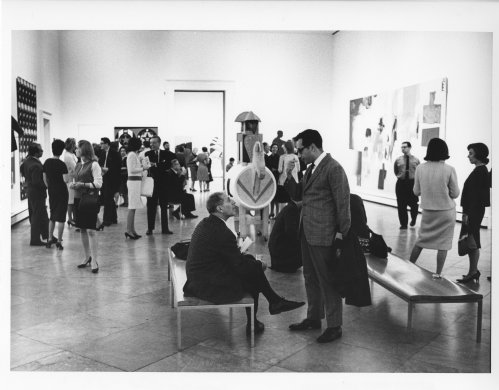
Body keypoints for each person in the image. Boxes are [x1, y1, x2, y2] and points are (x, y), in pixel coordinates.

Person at [183, 192, 305, 334]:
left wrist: (253, 262)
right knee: (253, 275)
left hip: (200, 278)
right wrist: (259, 265)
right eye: (229, 201)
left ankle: (273, 303)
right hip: (206, 285)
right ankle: (266, 310)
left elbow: (231, 258)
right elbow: (239, 267)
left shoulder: (208, 223)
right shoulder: (222, 232)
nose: (234, 202)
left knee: (252, 265)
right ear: (220, 209)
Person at [284, 129, 351, 344]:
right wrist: (288, 174)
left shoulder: (334, 168)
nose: (299, 154)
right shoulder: (310, 169)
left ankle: (334, 325)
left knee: (327, 280)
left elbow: (343, 205)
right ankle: (313, 317)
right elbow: (298, 196)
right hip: (308, 231)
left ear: (313, 147)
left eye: (301, 149)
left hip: (325, 234)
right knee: (311, 277)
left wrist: (341, 234)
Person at [409, 138, 460, 279]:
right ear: (445, 151)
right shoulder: (449, 169)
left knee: (421, 241)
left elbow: (416, 191)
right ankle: (438, 273)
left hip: (428, 211)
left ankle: (409, 265)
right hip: (446, 212)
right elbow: (455, 193)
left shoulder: (420, 168)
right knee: (443, 244)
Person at [456, 143, 490, 284]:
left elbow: (475, 197)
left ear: (478, 154)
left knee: (472, 240)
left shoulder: (480, 171)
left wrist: (468, 214)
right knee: (472, 239)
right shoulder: (479, 170)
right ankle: (473, 271)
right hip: (472, 211)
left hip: (473, 212)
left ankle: (473, 272)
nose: (468, 156)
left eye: (470, 153)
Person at [72, 140, 103, 273]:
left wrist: (82, 185)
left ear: (84, 150)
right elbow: (76, 180)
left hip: (89, 199)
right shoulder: (78, 165)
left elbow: (99, 184)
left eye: (78, 148)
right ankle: (87, 257)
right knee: (83, 229)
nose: (76, 150)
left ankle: (95, 259)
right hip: (78, 199)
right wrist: (74, 184)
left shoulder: (94, 164)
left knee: (91, 230)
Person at [20, 142, 49, 246]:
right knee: (37, 215)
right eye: (41, 150)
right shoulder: (36, 165)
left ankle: (47, 235)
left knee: (40, 213)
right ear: (36, 153)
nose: (42, 151)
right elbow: (37, 182)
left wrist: (29, 182)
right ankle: (35, 239)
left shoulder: (27, 161)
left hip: (31, 191)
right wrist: (47, 185)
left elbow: (23, 171)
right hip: (37, 193)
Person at [43, 139, 69, 249]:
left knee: (52, 215)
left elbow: (45, 178)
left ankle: (49, 239)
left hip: (52, 190)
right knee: (62, 217)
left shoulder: (47, 162)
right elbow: (66, 180)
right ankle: (59, 240)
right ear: (62, 150)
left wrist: (50, 187)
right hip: (62, 191)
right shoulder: (62, 164)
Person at [145, 136, 173, 235]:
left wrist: (156, 165)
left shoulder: (167, 154)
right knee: (151, 206)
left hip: (163, 184)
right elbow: (148, 167)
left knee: (164, 206)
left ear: (159, 143)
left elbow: (168, 165)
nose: (151, 145)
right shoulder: (147, 154)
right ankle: (150, 228)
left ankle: (165, 228)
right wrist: (160, 165)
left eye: (154, 143)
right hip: (152, 184)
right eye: (150, 143)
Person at [268, 200, 302, 273]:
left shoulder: (289, 207)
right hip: (280, 255)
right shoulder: (292, 210)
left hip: (276, 255)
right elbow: (291, 233)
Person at [125, 137, 149, 239]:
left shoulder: (134, 154)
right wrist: (143, 168)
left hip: (135, 182)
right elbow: (132, 169)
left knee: (133, 207)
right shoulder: (131, 155)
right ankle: (129, 230)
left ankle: (132, 230)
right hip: (133, 182)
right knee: (132, 207)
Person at [394, 141, 420, 229]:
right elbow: (396, 171)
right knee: (401, 205)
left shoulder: (416, 160)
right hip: (401, 184)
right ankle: (403, 224)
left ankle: (413, 218)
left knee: (414, 204)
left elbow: (419, 173)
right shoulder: (398, 160)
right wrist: (401, 177)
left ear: (409, 148)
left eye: (405, 147)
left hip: (412, 184)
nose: (403, 149)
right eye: (402, 147)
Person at [98, 137, 121, 227]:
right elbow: (100, 163)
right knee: (109, 199)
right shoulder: (102, 153)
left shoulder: (115, 153)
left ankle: (107, 220)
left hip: (112, 179)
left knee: (108, 199)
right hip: (104, 178)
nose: (101, 145)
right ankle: (113, 218)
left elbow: (117, 167)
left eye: (102, 143)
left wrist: (108, 169)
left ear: (107, 144)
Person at [62, 138, 77, 226]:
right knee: (70, 201)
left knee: (72, 201)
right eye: (74, 144)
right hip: (70, 180)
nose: (75, 146)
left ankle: (73, 218)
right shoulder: (67, 156)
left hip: (73, 179)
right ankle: (70, 219)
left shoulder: (71, 154)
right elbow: (75, 167)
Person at [265, 143, 280, 218]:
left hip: (277, 177)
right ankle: (271, 212)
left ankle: (277, 213)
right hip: (270, 177)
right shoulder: (269, 157)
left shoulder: (279, 157)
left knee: (277, 196)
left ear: (277, 149)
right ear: (271, 148)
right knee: (271, 196)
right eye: (273, 147)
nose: (275, 149)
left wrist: (276, 169)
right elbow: (267, 167)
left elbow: (281, 168)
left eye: (276, 147)